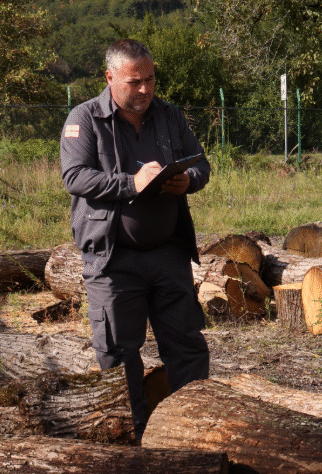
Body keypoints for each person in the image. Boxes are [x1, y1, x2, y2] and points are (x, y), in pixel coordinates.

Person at [60, 39, 211, 443]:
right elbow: (75, 176)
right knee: (118, 356)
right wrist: (131, 182)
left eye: (150, 79)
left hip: (168, 255)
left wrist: (186, 180)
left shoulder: (169, 115)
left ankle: (193, 435)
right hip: (113, 260)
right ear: (109, 78)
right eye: (134, 82)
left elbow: (202, 165)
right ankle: (133, 443)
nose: (144, 89)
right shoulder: (85, 118)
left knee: (186, 347)